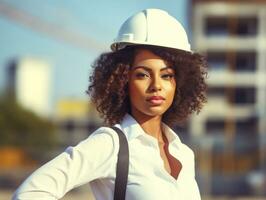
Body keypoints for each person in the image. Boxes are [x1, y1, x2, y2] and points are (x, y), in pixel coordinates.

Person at [13, 8, 207, 200]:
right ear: (122, 80)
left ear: (179, 82)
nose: (156, 85)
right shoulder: (111, 145)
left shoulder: (183, 154)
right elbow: (29, 193)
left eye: (166, 76)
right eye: (142, 75)